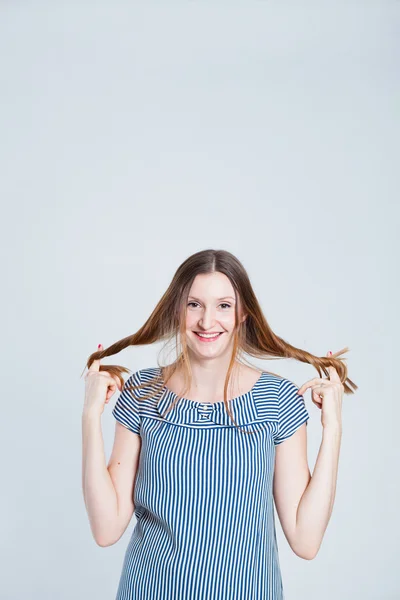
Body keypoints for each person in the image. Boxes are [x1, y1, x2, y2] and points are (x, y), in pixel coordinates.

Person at [82, 248, 357, 600]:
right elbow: (106, 529)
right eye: (194, 304)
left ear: (243, 314)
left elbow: (306, 540)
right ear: (177, 309)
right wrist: (90, 417)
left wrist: (333, 429)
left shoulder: (277, 400)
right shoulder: (142, 392)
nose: (207, 321)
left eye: (224, 305)